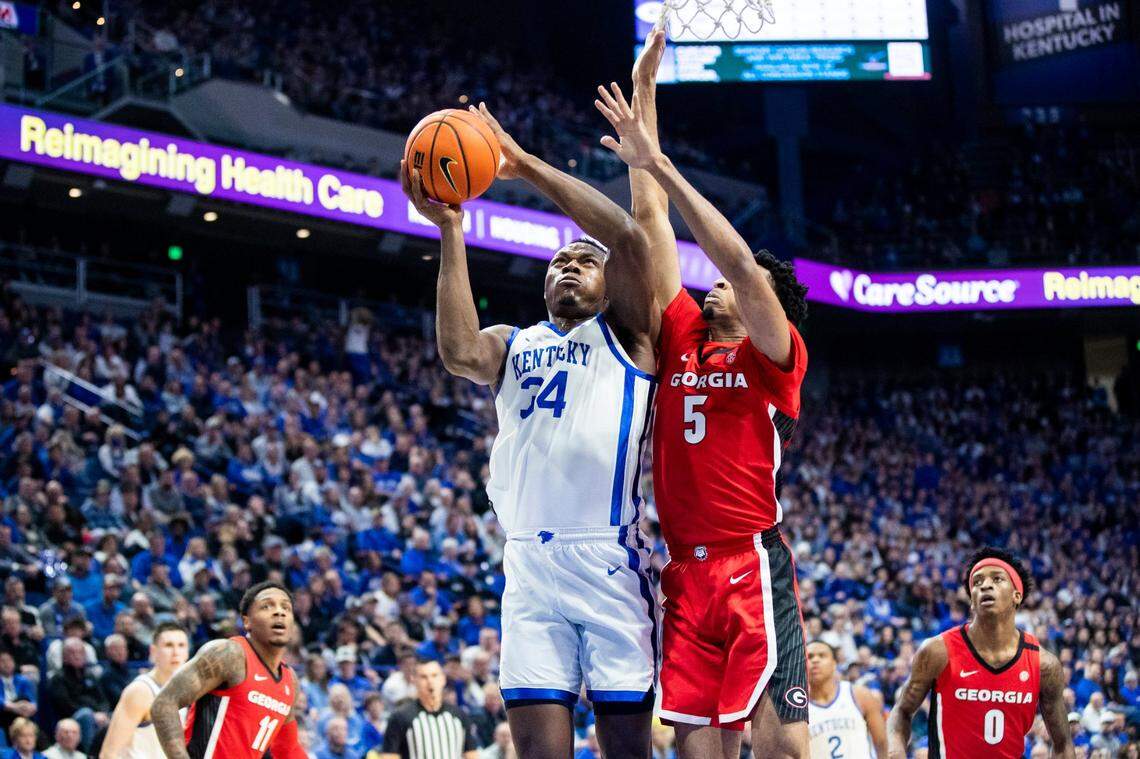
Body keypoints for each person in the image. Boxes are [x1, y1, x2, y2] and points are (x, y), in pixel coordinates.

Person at [401, 101, 659, 759]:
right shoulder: (513, 343)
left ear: (607, 285)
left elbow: (629, 236)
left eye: (581, 260)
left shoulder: (629, 335)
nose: (567, 267)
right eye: (557, 263)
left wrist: (523, 167)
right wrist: (451, 230)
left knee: (627, 749)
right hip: (529, 563)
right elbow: (458, 351)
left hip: (609, 558)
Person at [598, 28, 811, 759]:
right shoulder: (684, 330)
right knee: (695, 751)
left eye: (726, 283)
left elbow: (745, 268)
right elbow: (650, 216)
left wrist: (665, 164)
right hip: (684, 569)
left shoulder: (774, 354)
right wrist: (645, 97)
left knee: (784, 747)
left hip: (750, 562)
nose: (710, 282)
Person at [886, 548, 1075, 758]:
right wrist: (895, 753)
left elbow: (1063, 743)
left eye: (997, 579)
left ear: (1017, 595)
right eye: (977, 582)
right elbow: (901, 711)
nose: (985, 585)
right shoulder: (938, 651)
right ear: (972, 601)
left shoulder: (1044, 664)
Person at [150, 581, 307, 759]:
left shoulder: (290, 680)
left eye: (286, 607)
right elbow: (164, 703)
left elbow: (288, 749)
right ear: (247, 621)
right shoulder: (229, 655)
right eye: (266, 606)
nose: (279, 612)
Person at [99, 621, 191, 758]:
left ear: (188, 652)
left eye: (181, 646)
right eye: (168, 645)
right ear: (153, 651)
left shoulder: (183, 693)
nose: (176, 652)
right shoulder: (141, 691)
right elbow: (108, 754)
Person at [377, 658, 477, 759]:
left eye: (434, 675)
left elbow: (471, 754)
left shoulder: (459, 716)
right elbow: (389, 755)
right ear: (414, 680)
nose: (430, 682)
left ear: (443, 679)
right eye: (423, 677)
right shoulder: (400, 717)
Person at [805, 641, 887, 759]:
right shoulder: (798, 707)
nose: (815, 660)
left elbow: (881, 742)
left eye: (822, 655)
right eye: (809, 657)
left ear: (834, 664)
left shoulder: (860, 694)